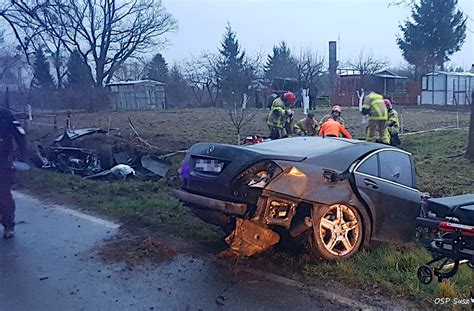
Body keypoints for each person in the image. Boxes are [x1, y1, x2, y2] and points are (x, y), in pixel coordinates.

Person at [0, 106, 27, 239]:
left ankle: (8, 224)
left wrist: (23, 156)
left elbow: (20, 134)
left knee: (3, 194)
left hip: (2, 160)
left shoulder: (5, 114)